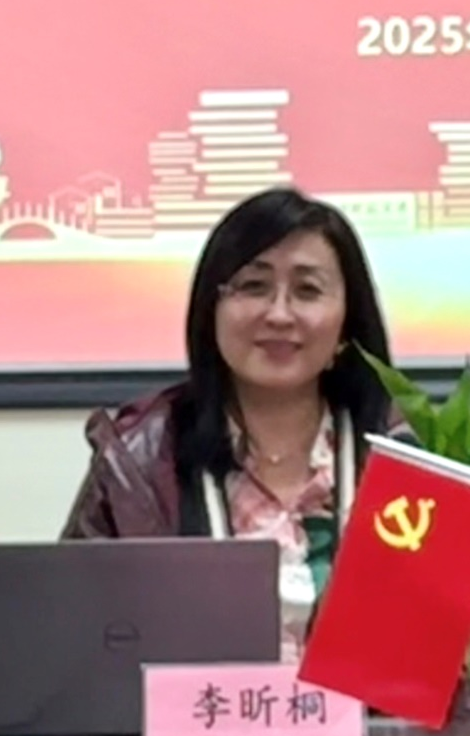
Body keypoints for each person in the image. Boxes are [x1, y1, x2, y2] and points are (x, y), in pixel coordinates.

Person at [60, 186, 402, 660]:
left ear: (347, 324)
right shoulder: (139, 457)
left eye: (307, 290)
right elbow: (73, 640)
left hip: (371, 713)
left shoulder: (406, 456)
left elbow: (468, 655)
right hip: (189, 711)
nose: (279, 314)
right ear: (212, 310)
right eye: (253, 286)